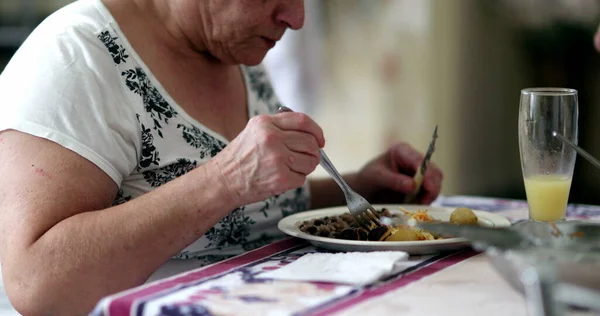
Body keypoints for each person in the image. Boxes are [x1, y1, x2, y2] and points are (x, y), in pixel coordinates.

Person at [0, 0, 443, 314]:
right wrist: (222, 179)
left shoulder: (234, 47)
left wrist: (360, 186)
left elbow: (248, 213)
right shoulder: (78, 55)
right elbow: (37, 284)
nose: (297, 17)